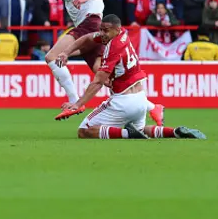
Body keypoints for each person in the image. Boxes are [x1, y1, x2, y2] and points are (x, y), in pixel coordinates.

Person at [5, 0, 164, 124]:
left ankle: (74, 100)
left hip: (91, 23)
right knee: (105, 77)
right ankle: (152, 106)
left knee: (51, 56)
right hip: (85, 25)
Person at [55, 14, 205, 140]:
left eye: (105, 31)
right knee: (141, 129)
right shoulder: (122, 34)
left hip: (123, 101)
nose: (102, 34)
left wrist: (78, 104)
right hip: (141, 100)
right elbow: (87, 38)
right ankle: (174, 132)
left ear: (115, 29)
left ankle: (127, 134)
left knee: (84, 130)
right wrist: (66, 52)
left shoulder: (112, 48)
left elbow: (98, 82)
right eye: (101, 30)